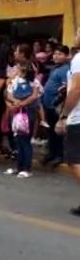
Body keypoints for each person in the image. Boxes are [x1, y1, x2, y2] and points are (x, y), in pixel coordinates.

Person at [56, 40, 80, 216]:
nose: (76, 36)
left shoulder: (79, 58)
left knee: (74, 160)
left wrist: (64, 116)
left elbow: (77, 89)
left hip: (78, 118)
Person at [4, 63, 39, 178]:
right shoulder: (15, 81)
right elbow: (8, 94)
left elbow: (34, 96)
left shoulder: (34, 82)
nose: (16, 72)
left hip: (28, 112)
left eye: (19, 70)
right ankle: (19, 166)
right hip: (16, 111)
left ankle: (27, 168)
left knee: (25, 140)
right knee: (17, 139)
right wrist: (15, 102)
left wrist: (22, 103)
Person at [42, 44, 70, 166]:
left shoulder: (65, 69)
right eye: (55, 53)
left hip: (56, 106)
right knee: (51, 131)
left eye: (60, 54)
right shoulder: (55, 68)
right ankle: (51, 153)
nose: (56, 56)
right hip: (48, 105)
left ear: (66, 56)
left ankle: (59, 155)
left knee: (58, 132)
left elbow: (66, 89)